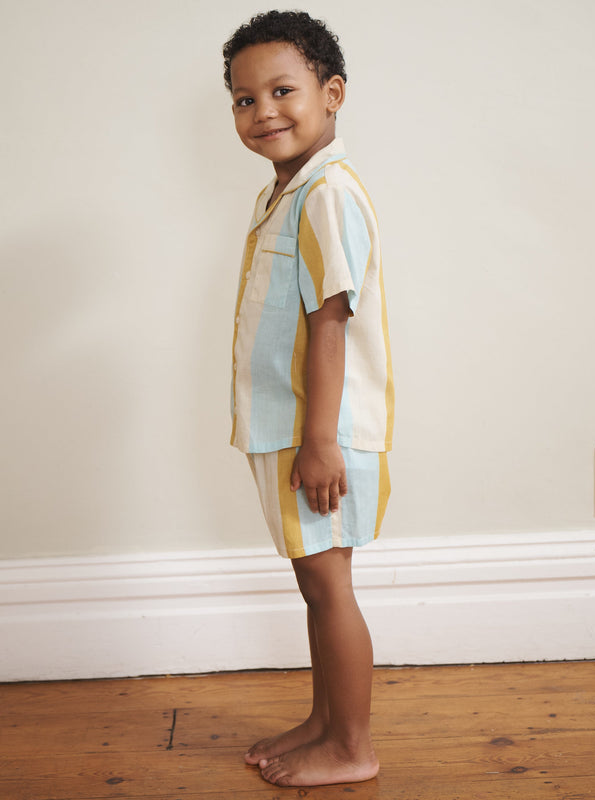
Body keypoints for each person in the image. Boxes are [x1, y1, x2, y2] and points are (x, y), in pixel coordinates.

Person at [222, 10, 394, 788]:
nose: (264, 113)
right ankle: (325, 720)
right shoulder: (285, 192)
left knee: (331, 589)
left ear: (333, 94)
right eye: (244, 99)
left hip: (317, 433)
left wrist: (320, 440)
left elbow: (331, 321)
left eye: (283, 91)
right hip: (286, 427)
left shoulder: (328, 193)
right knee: (312, 583)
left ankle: (352, 746)